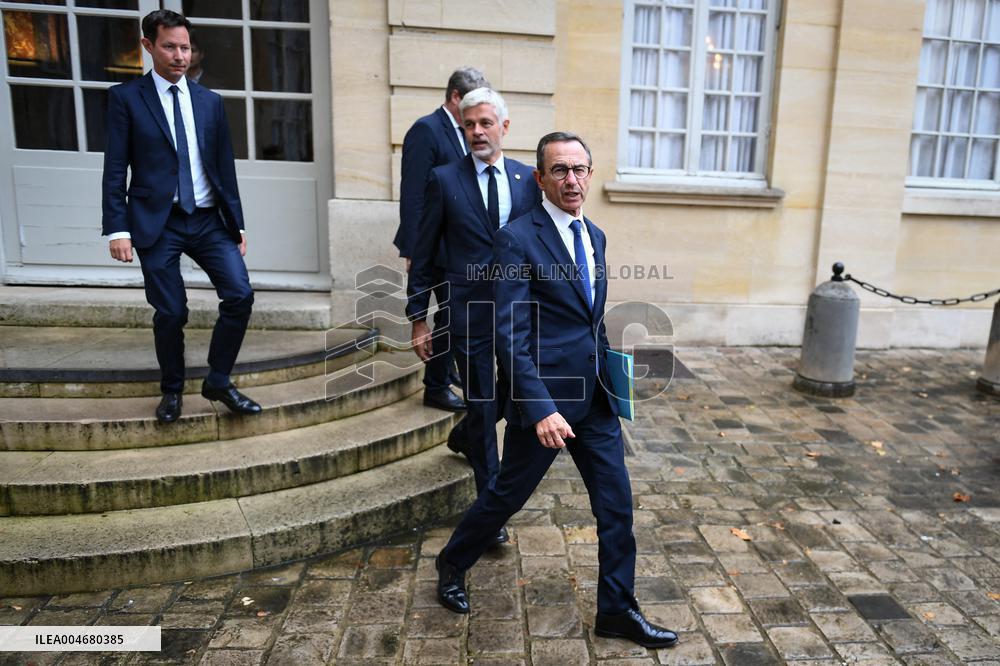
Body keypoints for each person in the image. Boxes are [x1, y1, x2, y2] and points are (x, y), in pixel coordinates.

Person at [432, 132, 679, 649]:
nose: (572, 179)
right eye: (560, 170)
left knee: (616, 508)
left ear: (590, 174)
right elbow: (510, 333)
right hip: (544, 404)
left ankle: (616, 610)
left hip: (595, 402)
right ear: (540, 178)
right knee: (505, 496)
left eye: (580, 169)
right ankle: (452, 563)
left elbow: (589, 321)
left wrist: (612, 374)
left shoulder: (598, 236)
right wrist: (539, 407)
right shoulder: (517, 238)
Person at [102, 10, 260, 424]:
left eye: (185, 47)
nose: (179, 55)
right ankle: (172, 389)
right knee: (171, 311)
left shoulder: (210, 102)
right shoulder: (126, 98)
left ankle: (219, 380)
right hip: (158, 222)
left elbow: (224, 168)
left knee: (240, 294)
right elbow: (115, 169)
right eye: (170, 46)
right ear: (148, 46)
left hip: (209, 219)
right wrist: (117, 228)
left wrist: (237, 223)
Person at [407, 88, 540, 544]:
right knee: (483, 403)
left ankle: (464, 434)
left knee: (510, 395)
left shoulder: (528, 179)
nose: (478, 132)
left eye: (486, 123)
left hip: (520, 314)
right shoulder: (445, 179)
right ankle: (490, 510)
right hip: (468, 312)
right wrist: (418, 316)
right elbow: (423, 253)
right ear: (461, 129)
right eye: (469, 125)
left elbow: (543, 247)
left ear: (504, 126)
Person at [394, 67, 489, 414]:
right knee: (448, 316)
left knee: (452, 314)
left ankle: (444, 373)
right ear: (454, 97)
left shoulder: (463, 131)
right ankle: (435, 387)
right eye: (472, 101)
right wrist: (413, 249)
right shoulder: (426, 129)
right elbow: (413, 194)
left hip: (454, 245)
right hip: (430, 246)